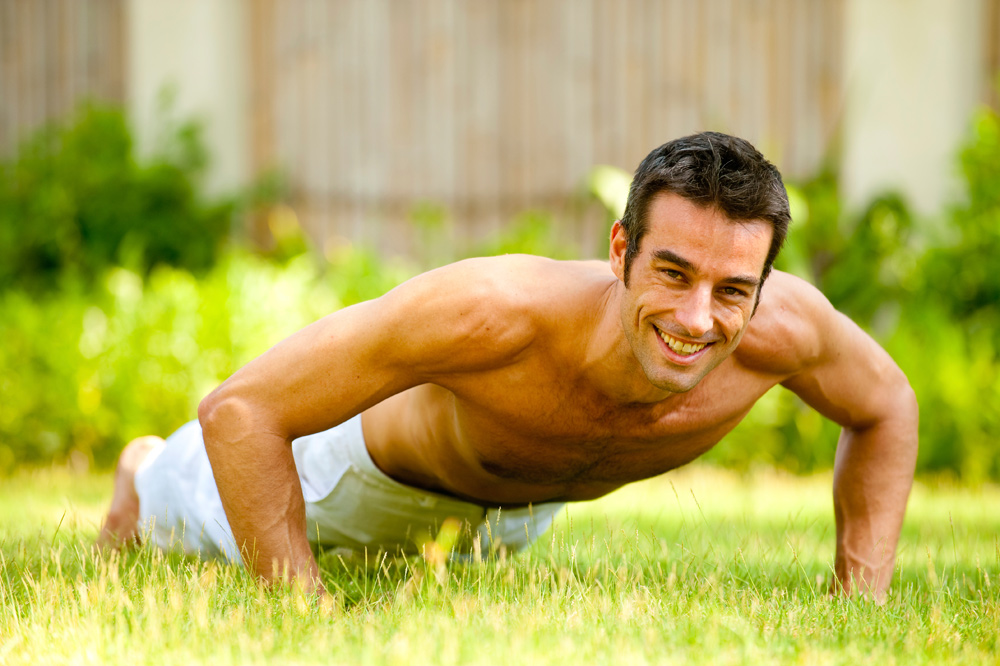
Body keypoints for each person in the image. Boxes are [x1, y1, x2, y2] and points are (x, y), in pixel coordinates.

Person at [98, 132, 918, 600]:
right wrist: (300, 616)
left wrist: (863, 594)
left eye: (733, 287)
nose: (698, 317)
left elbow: (887, 406)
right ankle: (146, 473)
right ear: (621, 250)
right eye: (673, 273)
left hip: (517, 497)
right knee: (186, 513)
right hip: (358, 482)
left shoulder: (787, 329)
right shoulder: (494, 310)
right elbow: (241, 411)